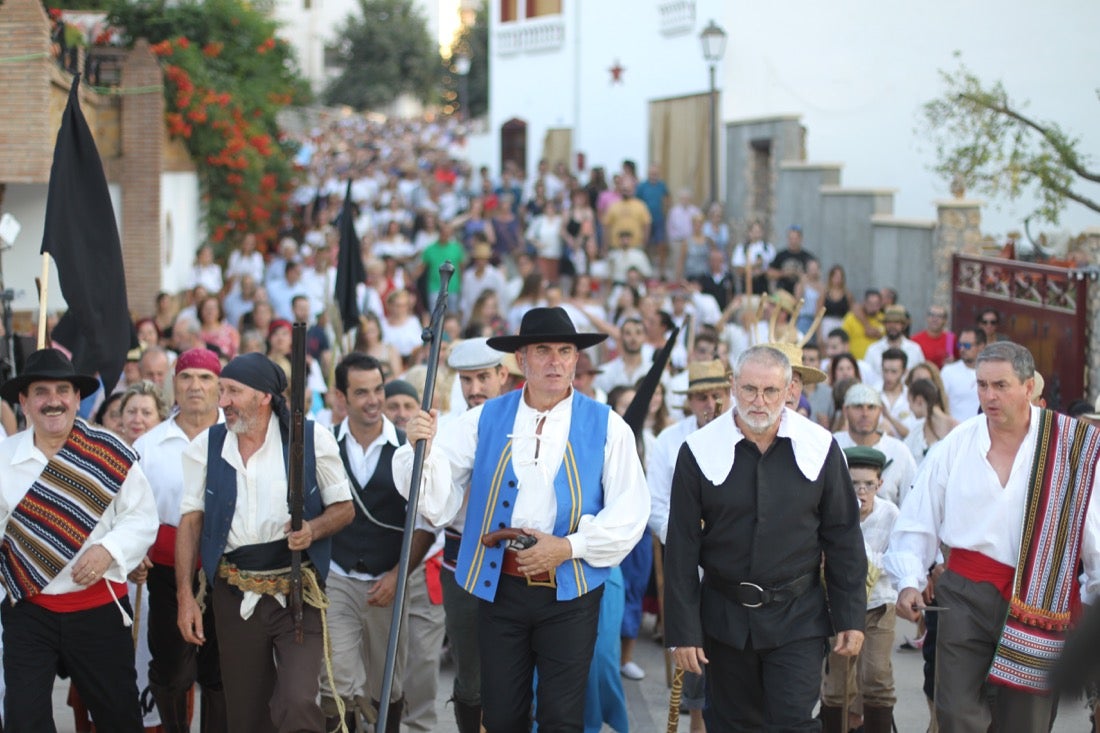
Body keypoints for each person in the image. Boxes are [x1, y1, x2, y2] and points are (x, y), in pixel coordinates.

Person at [398, 306, 650, 732]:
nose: (555, 361)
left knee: (561, 717)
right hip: (500, 587)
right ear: (521, 360)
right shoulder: (481, 420)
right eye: (543, 350)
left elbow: (631, 510)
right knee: (502, 715)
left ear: (576, 359)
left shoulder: (608, 426)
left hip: (570, 591)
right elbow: (435, 499)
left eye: (565, 351)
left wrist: (569, 547)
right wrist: (418, 448)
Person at [885, 342, 1100, 731]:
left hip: (1042, 595)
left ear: (1030, 385)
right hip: (966, 591)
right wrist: (908, 581)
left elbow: (1094, 530)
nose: (989, 396)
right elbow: (920, 517)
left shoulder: (1068, 447)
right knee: (955, 711)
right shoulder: (956, 444)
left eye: (1000, 385)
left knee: (1027, 721)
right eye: (982, 385)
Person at [664, 344, 866, 730]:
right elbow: (681, 550)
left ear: (790, 390)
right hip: (723, 619)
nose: (760, 401)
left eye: (771, 390)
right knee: (731, 725)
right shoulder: (698, 452)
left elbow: (843, 538)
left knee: (794, 723)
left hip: (798, 617)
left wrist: (850, 616)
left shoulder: (820, 447)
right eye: (750, 389)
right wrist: (683, 632)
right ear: (733, 386)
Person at [176, 352, 355, 732]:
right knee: (246, 710)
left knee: (298, 700)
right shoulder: (206, 447)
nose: (221, 401)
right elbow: (190, 523)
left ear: (264, 397)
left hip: (298, 589)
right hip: (233, 589)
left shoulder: (309, 438)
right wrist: (185, 598)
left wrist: (313, 529)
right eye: (221, 390)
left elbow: (344, 509)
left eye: (232, 391)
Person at [0, 348, 158, 731]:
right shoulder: (3, 458)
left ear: (75, 398)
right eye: (41, 391)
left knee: (119, 718)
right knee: (23, 720)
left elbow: (142, 517)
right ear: (24, 401)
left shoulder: (110, 453)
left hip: (99, 609)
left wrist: (109, 551)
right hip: (29, 611)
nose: (53, 401)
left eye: (62, 390)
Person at [133, 348, 227, 732]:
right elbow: (132, 509)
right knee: (172, 670)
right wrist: (134, 552)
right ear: (174, 384)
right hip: (168, 573)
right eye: (186, 377)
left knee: (220, 675)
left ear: (220, 388)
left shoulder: (239, 438)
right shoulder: (148, 446)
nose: (195, 386)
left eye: (205, 378)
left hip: (227, 573)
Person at [323, 353, 414, 732]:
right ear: (340, 397)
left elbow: (425, 522)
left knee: (386, 681)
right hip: (337, 575)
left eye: (378, 389)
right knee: (335, 677)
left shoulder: (408, 447)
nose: (374, 400)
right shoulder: (323, 444)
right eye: (361, 392)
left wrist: (398, 574)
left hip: (387, 578)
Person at [435, 338, 513, 732]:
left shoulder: (524, 424)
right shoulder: (448, 430)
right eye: (466, 380)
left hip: (516, 559)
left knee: (515, 667)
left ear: (503, 375)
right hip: (461, 557)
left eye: (483, 377)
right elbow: (433, 507)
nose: (474, 388)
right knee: (469, 670)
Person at [820, 446, 899, 733]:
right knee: (837, 682)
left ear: (880, 484)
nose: (861, 491)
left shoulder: (890, 515)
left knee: (876, 675)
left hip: (879, 604)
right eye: (854, 484)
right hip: (839, 607)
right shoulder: (833, 510)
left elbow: (897, 558)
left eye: (868, 484)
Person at [833, 382, 918, 507]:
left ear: (881, 411)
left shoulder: (899, 451)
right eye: (858, 407)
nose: (865, 414)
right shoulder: (831, 445)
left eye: (871, 407)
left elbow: (912, 502)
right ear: (845, 410)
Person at [863, 306, 926, 387]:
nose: (892, 326)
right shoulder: (873, 350)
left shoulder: (915, 349)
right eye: (889, 323)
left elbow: (921, 376)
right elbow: (866, 378)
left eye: (896, 323)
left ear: (903, 325)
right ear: (884, 325)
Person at [940, 328, 986, 421]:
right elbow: (940, 404)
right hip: (956, 430)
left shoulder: (991, 373)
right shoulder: (948, 371)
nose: (962, 349)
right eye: (960, 345)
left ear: (981, 346)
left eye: (967, 345)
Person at [911, 304, 955, 369]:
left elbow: (960, 361)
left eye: (939, 316)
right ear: (926, 317)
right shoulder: (915, 340)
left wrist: (953, 362)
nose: (935, 319)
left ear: (945, 320)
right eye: (932, 315)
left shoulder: (951, 339)